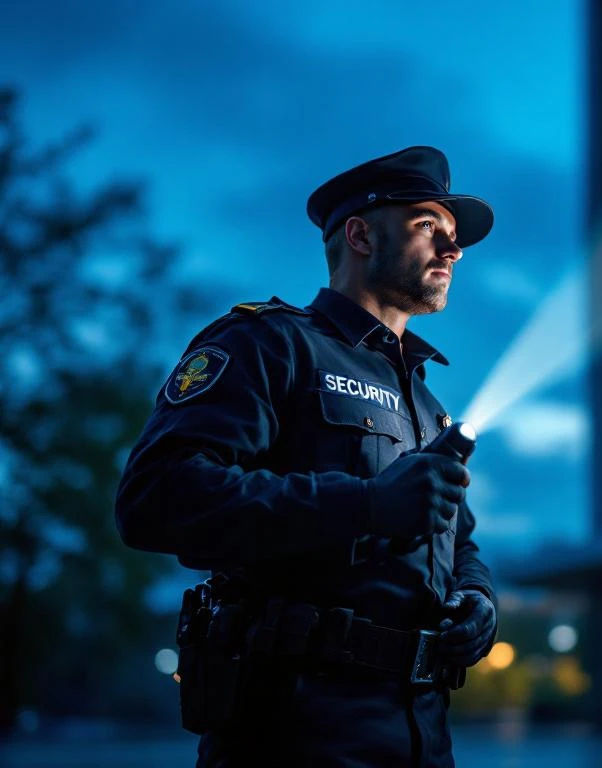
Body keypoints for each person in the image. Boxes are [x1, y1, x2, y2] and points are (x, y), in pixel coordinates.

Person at [115, 146, 498, 767]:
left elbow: (460, 539)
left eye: (454, 238)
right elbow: (156, 496)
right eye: (430, 227)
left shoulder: (429, 405)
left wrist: (480, 600)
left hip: (423, 736)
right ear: (360, 235)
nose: (453, 251)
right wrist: (368, 506)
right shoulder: (268, 345)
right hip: (292, 733)